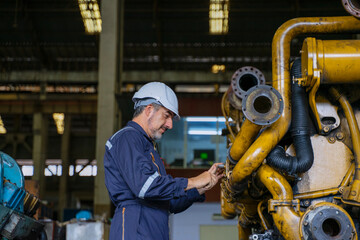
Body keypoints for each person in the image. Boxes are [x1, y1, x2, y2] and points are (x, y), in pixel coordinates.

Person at [104, 82, 224, 240]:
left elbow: (170, 203)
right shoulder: (127, 138)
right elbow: (145, 187)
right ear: (149, 110)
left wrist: (202, 186)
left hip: (154, 229)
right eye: (166, 115)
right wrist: (194, 181)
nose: (170, 124)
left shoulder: (148, 147)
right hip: (135, 228)